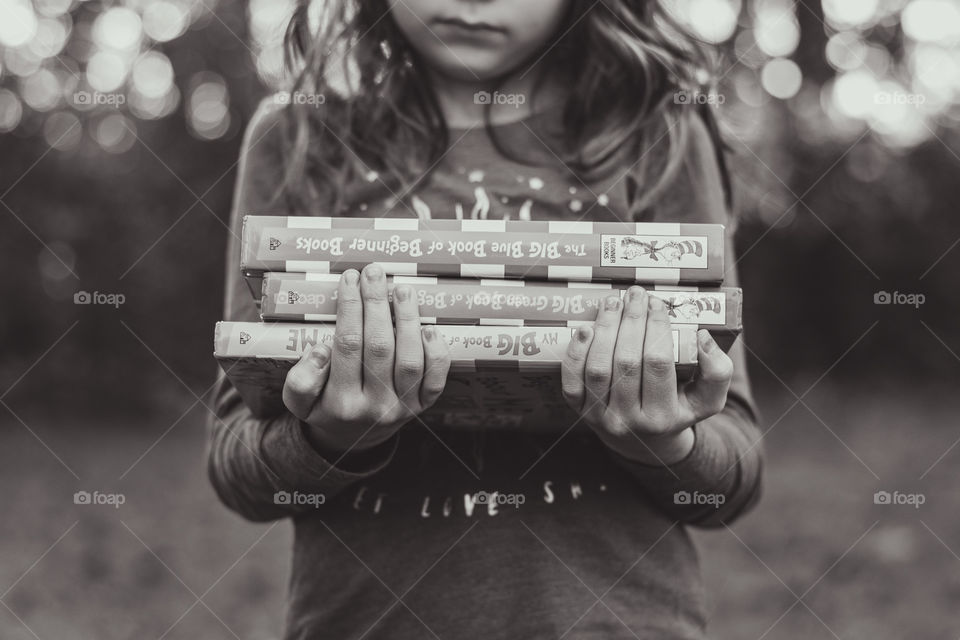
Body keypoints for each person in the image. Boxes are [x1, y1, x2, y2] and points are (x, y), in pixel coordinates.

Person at [208, 1, 763, 638]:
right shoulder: (300, 133)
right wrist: (335, 438)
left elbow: (732, 481)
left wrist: (659, 441)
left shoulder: (654, 129)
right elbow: (240, 473)